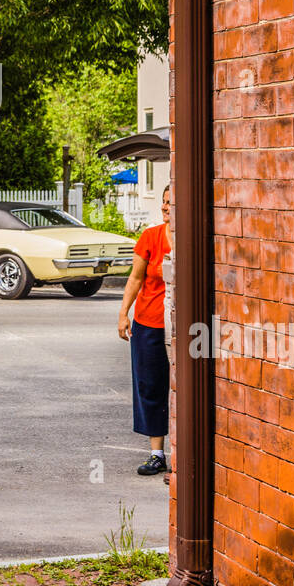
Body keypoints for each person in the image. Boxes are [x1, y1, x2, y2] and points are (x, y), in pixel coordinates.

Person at [118, 185, 172, 476]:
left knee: (184, 388)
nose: (165, 208)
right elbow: (135, 279)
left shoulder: (188, 239)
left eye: (171, 203)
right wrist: (123, 314)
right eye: (163, 203)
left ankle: (185, 450)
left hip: (181, 327)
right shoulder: (150, 237)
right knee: (151, 386)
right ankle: (156, 453)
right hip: (148, 323)